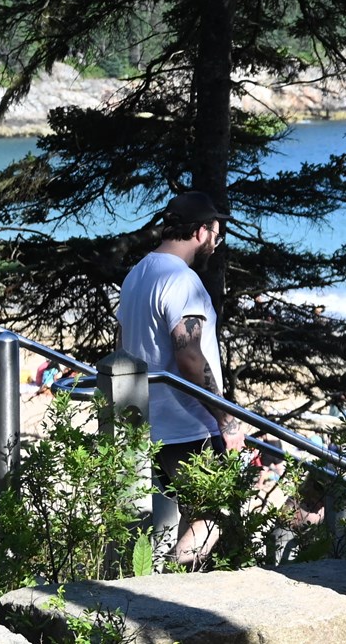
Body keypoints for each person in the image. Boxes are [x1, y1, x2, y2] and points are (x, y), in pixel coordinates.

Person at [116, 190, 244, 564]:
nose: (217, 244)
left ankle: (175, 585)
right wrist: (228, 419)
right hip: (189, 427)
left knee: (191, 517)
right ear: (202, 231)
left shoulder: (136, 276)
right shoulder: (182, 281)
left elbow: (122, 346)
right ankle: (173, 581)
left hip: (151, 426)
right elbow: (189, 357)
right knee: (217, 512)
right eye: (217, 235)